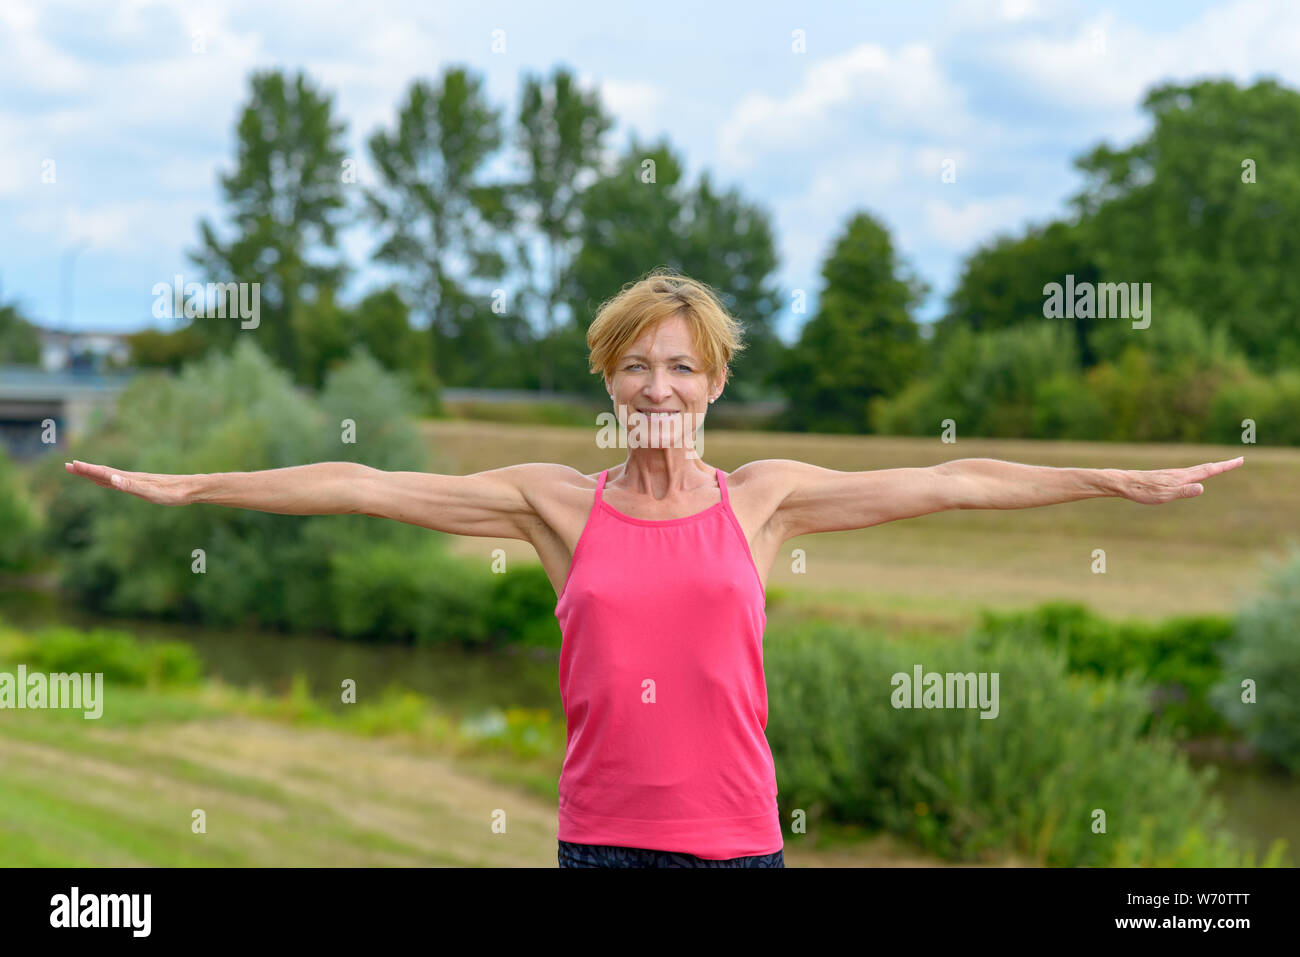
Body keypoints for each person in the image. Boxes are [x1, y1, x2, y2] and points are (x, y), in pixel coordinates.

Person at [65, 269, 1244, 868]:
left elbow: (958, 480)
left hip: (738, 844)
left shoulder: (766, 501)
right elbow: (360, 484)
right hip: (603, 843)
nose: (657, 388)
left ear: (714, 383)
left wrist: (1117, 482)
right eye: (634, 366)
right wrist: (189, 489)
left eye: (680, 367)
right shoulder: (553, 507)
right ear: (608, 380)